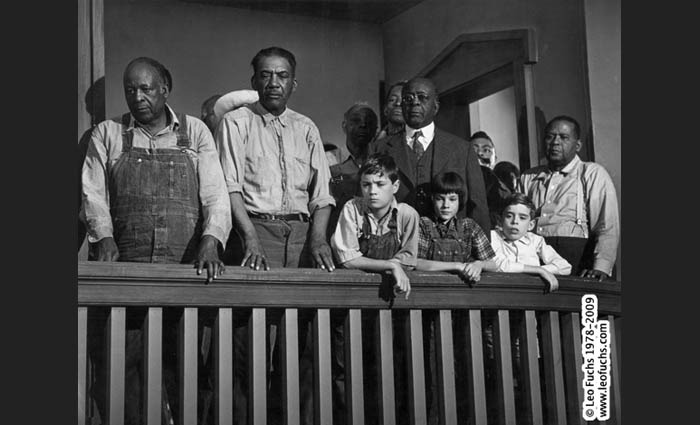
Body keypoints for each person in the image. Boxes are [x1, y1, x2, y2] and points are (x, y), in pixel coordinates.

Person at [80, 56, 232, 424]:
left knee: (185, 372)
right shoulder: (108, 133)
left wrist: (211, 239)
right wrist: (104, 237)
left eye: (145, 88)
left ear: (165, 89)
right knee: (120, 371)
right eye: (130, 89)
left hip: (183, 272)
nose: (137, 97)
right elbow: (92, 193)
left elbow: (216, 194)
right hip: (127, 273)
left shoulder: (195, 132)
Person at [214, 46, 335, 424]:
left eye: (282, 76)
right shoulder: (236, 123)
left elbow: (322, 196)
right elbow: (230, 188)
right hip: (255, 231)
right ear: (254, 81)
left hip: (301, 237)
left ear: (293, 83)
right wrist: (250, 238)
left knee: (302, 344)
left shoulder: (307, 127)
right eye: (265, 75)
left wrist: (317, 239)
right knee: (248, 344)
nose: (273, 83)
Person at [413, 171, 500, 424]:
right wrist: (457, 266)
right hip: (429, 310)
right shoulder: (423, 225)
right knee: (431, 368)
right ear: (432, 199)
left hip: (463, 311)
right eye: (440, 199)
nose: (445, 205)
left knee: (464, 366)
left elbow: (493, 262)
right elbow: (416, 263)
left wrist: (478, 264)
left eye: (452, 199)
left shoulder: (469, 227)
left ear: (460, 201)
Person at [369, 77, 491, 234]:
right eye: (408, 98)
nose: (415, 103)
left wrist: (480, 248)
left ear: (435, 107)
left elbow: (478, 206)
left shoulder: (462, 149)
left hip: (450, 243)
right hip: (394, 241)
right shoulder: (379, 148)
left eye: (422, 97)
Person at [520, 115, 620, 281]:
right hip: (535, 258)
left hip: (578, 259)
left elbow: (607, 226)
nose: (555, 142)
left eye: (564, 137)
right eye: (550, 137)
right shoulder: (528, 177)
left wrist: (601, 267)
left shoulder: (592, 173)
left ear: (578, 145)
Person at [490, 192, 572, 292]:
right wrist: (537, 270)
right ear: (499, 220)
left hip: (531, 292)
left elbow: (565, 267)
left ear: (531, 225)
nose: (515, 221)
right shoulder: (493, 237)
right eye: (509, 216)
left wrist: (542, 271)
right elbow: (498, 265)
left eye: (522, 218)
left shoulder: (536, 240)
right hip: (500, 291)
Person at [328, 102, 379, 239]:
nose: (362, 125)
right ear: (344, 126)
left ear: (376, 130)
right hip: (337, 236)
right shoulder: (327, 160)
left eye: (368, 122)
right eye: (356, 121)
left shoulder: (382, 163)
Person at [469, 131, 512, 229]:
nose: (480, 153)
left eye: (486, 150)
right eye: (473, 150)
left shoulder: (505, 189)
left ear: (495, 158)